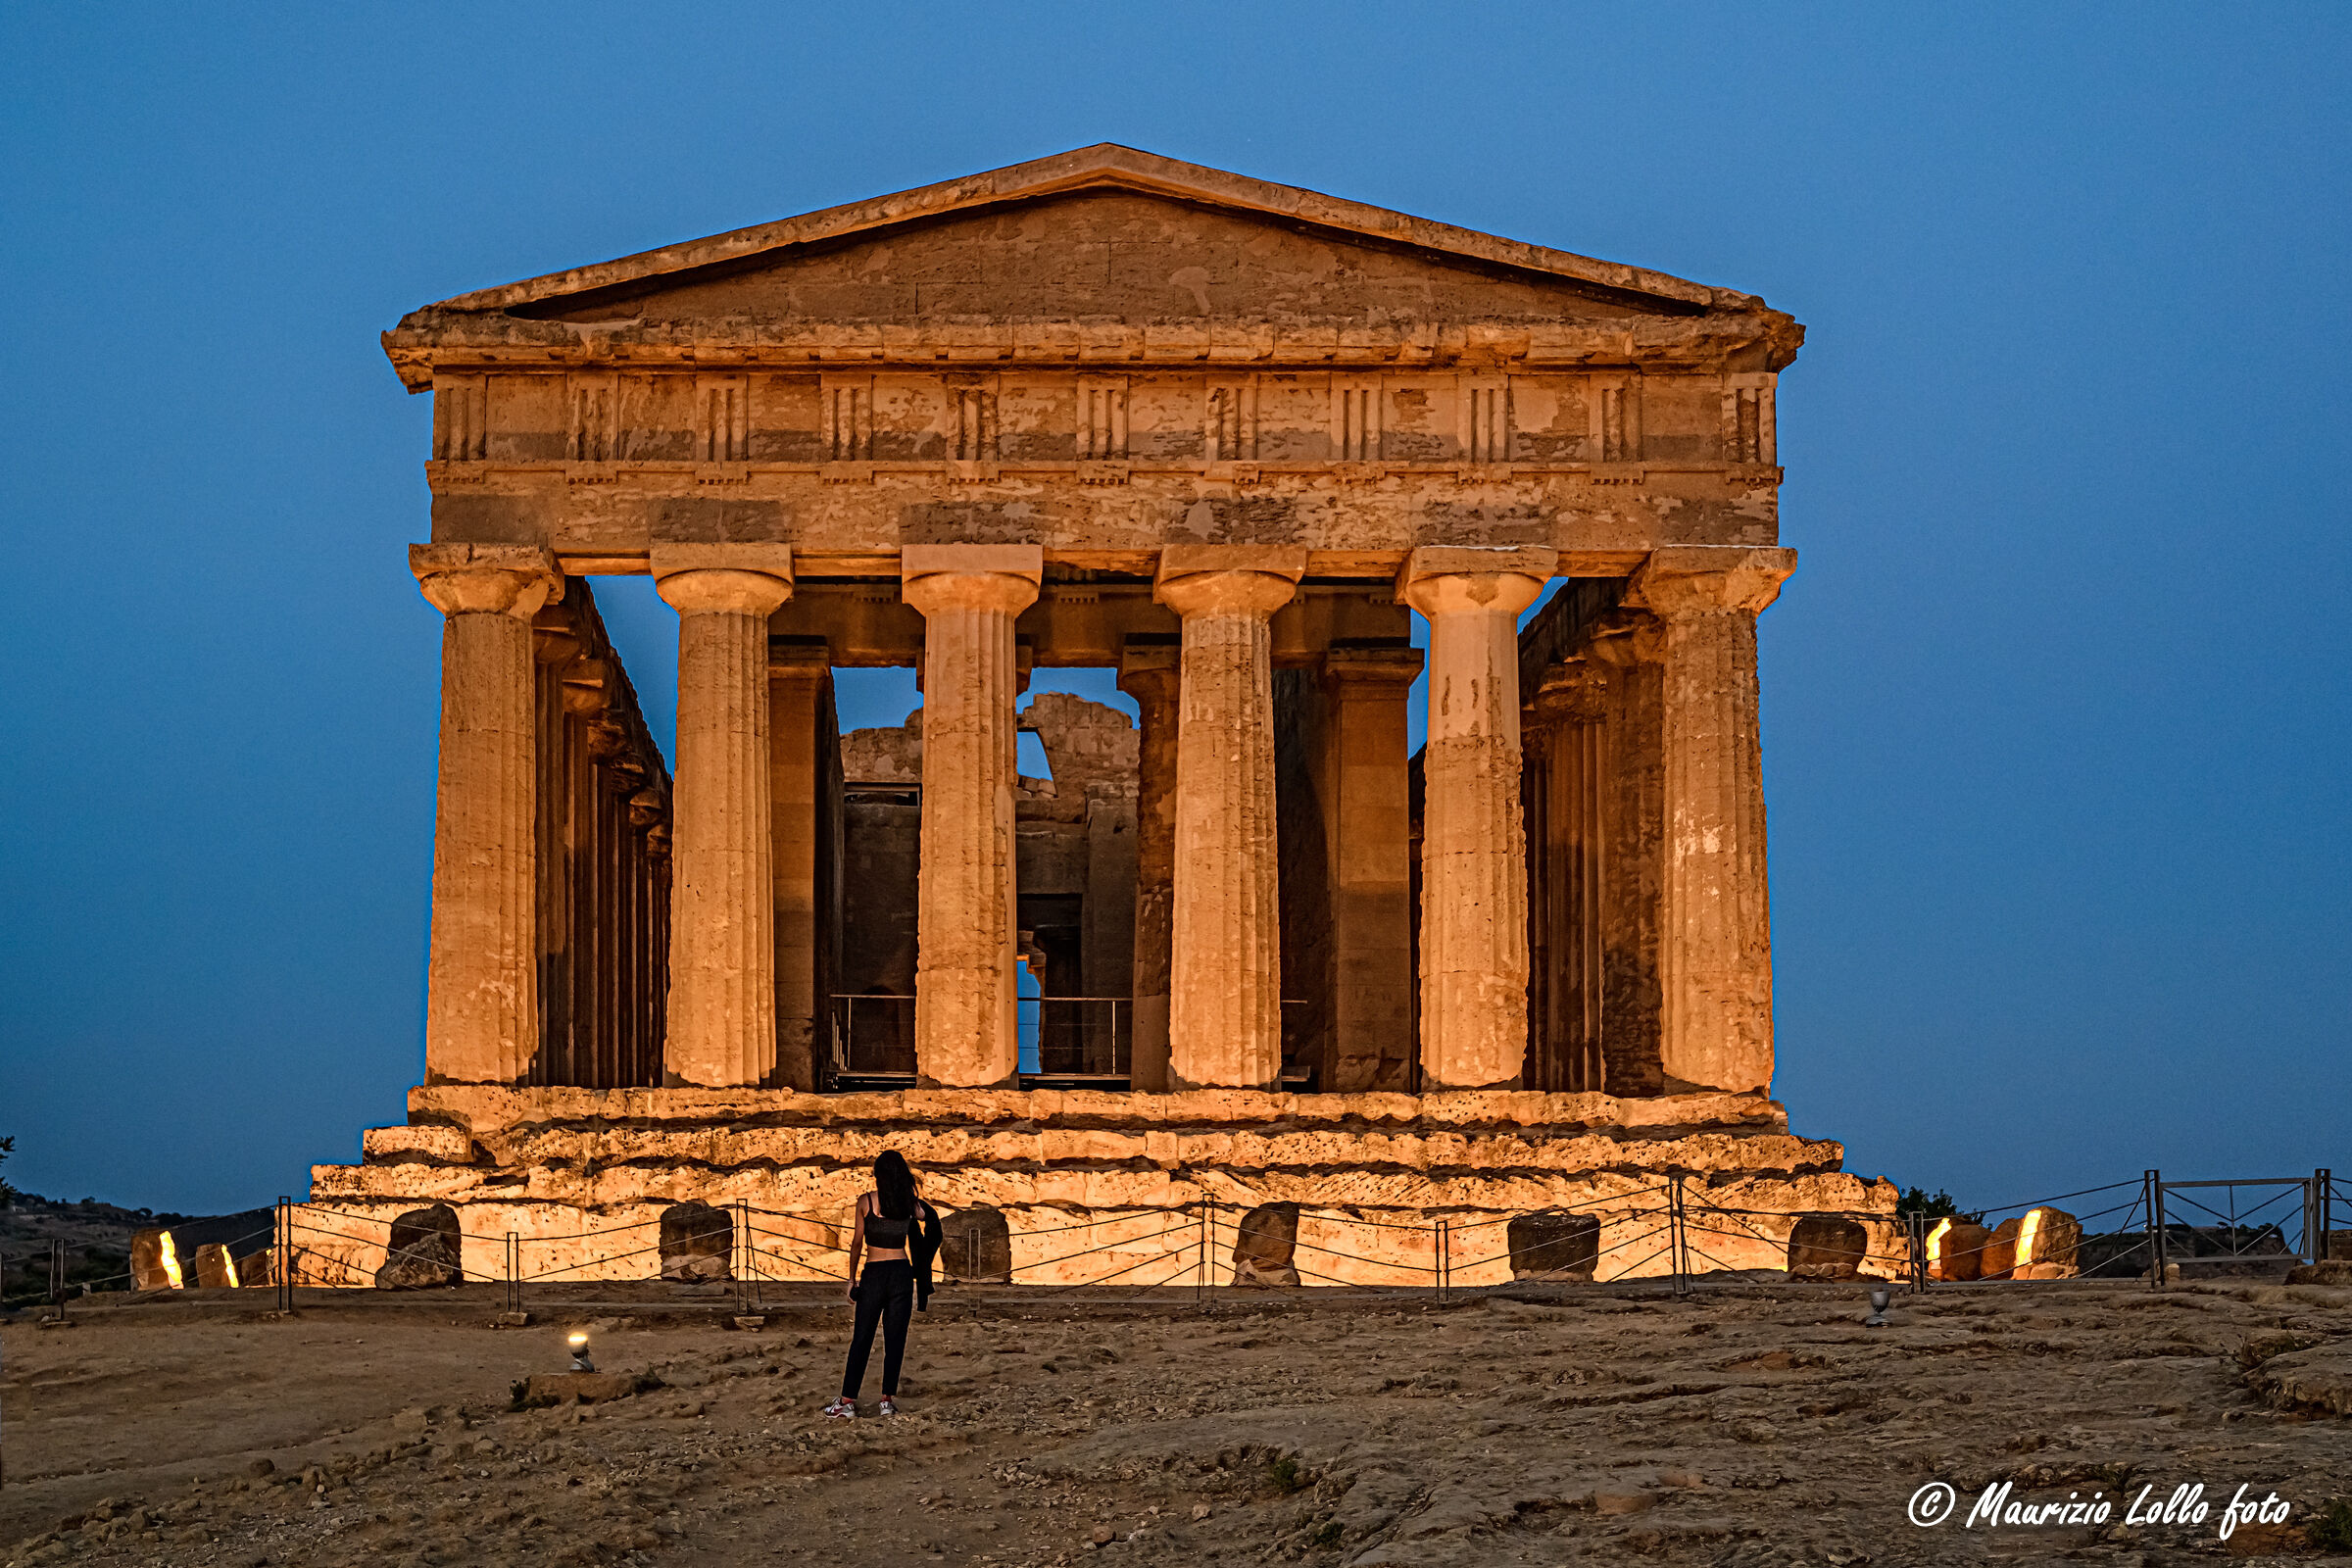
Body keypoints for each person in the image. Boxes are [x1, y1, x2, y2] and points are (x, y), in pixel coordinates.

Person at [823, 1150, 943, 1418]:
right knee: (895, 1339)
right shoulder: (908, 1203)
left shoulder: (866, 1201)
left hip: (875, 1274)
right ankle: (886, 1401)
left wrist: (851, 1280)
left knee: (862, 1337)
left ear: (878, 1175)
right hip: (901, 1274)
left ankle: (846, 1401)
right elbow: (929, 1218)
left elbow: (856, 1243)